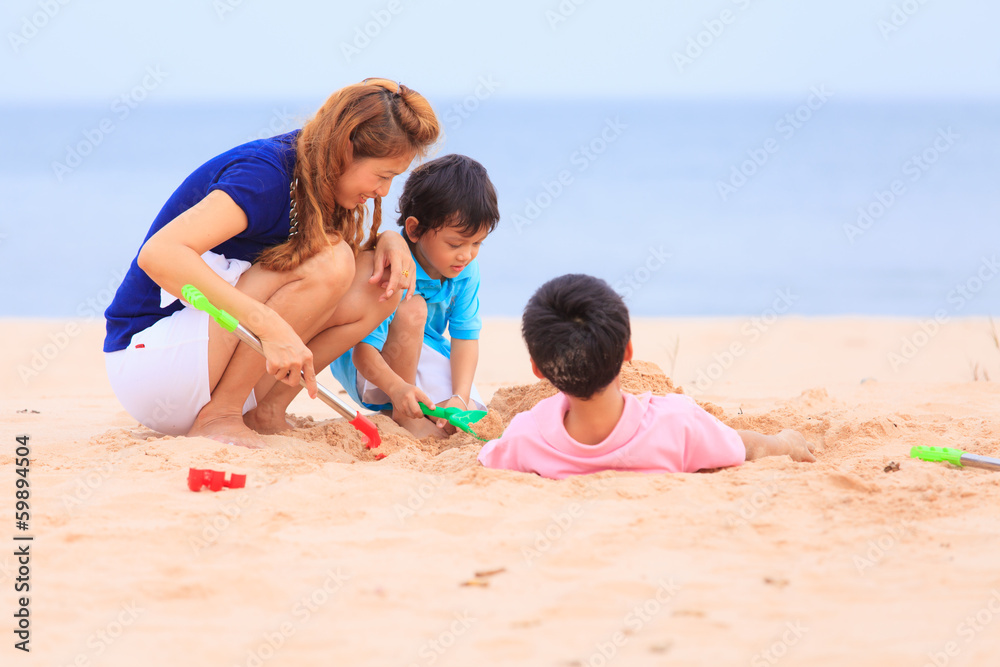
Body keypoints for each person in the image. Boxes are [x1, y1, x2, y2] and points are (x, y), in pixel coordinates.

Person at [103, 78, 440, 449]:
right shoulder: (264, 175)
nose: (383, 191)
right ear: (346, 149)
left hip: (206, 364)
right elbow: (159, 254)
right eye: (382, 176)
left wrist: (390, 240)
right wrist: (268, 325)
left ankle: (263, 411)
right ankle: (220, 414)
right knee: (332, 261)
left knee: (379, 284)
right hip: (152, 363)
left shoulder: (317, 173)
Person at [477, 274, 816, 479]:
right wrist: (786, 443)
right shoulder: (677, 422)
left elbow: (491, 455)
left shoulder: (525, 435)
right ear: (627, 352)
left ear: (538, 369)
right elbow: (744, 447)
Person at [330, 154, 500, 438]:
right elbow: (363, 354)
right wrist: (397, 389)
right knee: (413, 307)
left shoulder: (465, 270)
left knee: (467, 422)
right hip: (371, 368)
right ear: (414, 230)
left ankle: (406, 408)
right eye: (455, 243)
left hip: (424, 350)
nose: (466, 255)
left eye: (477, 243)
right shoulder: (394, 268)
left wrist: (460, 395)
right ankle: (402, 414)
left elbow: (465, 337)